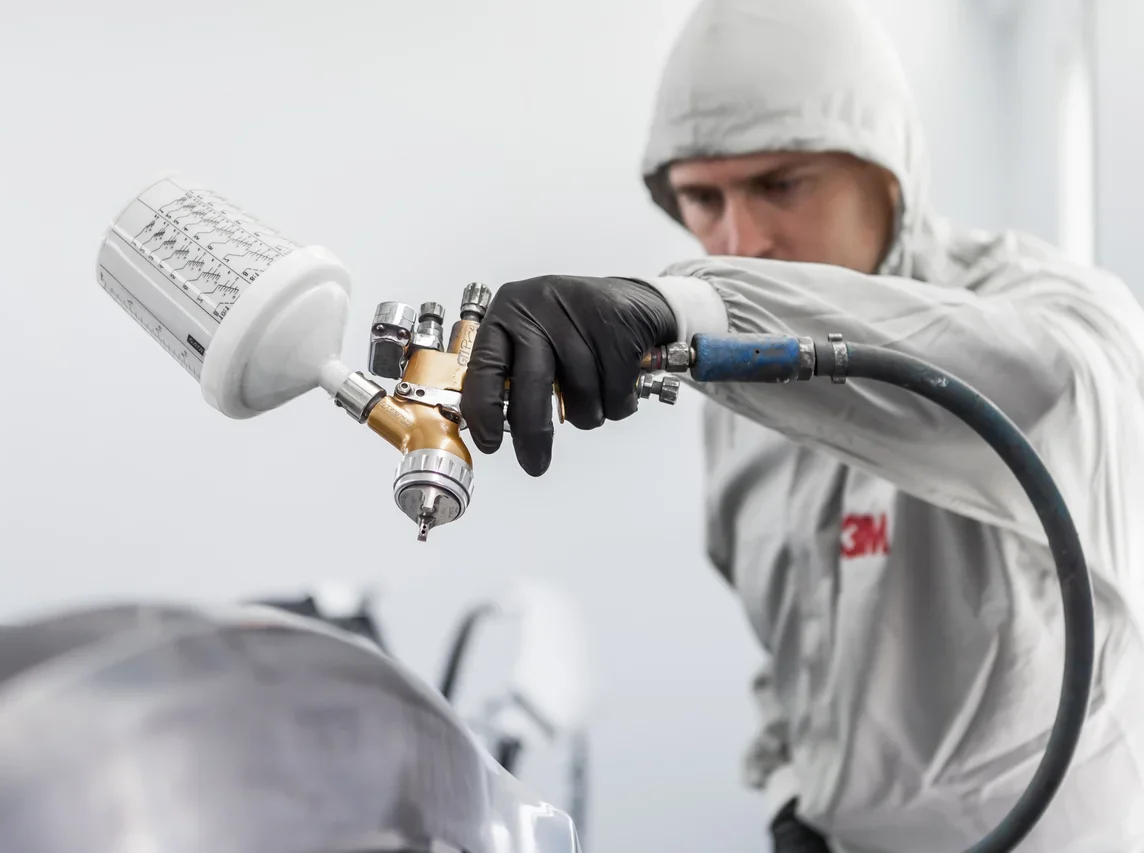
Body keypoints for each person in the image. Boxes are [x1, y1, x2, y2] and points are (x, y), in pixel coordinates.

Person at [459, 0, 1144, 850]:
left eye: (780, 184)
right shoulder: (740, 407)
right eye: (702, 198)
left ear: (887, 173)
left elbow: (1043, 386)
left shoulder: (1056, 311)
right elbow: (797, 647)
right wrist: (793, 792)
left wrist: (699, 309)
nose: (739, 238)